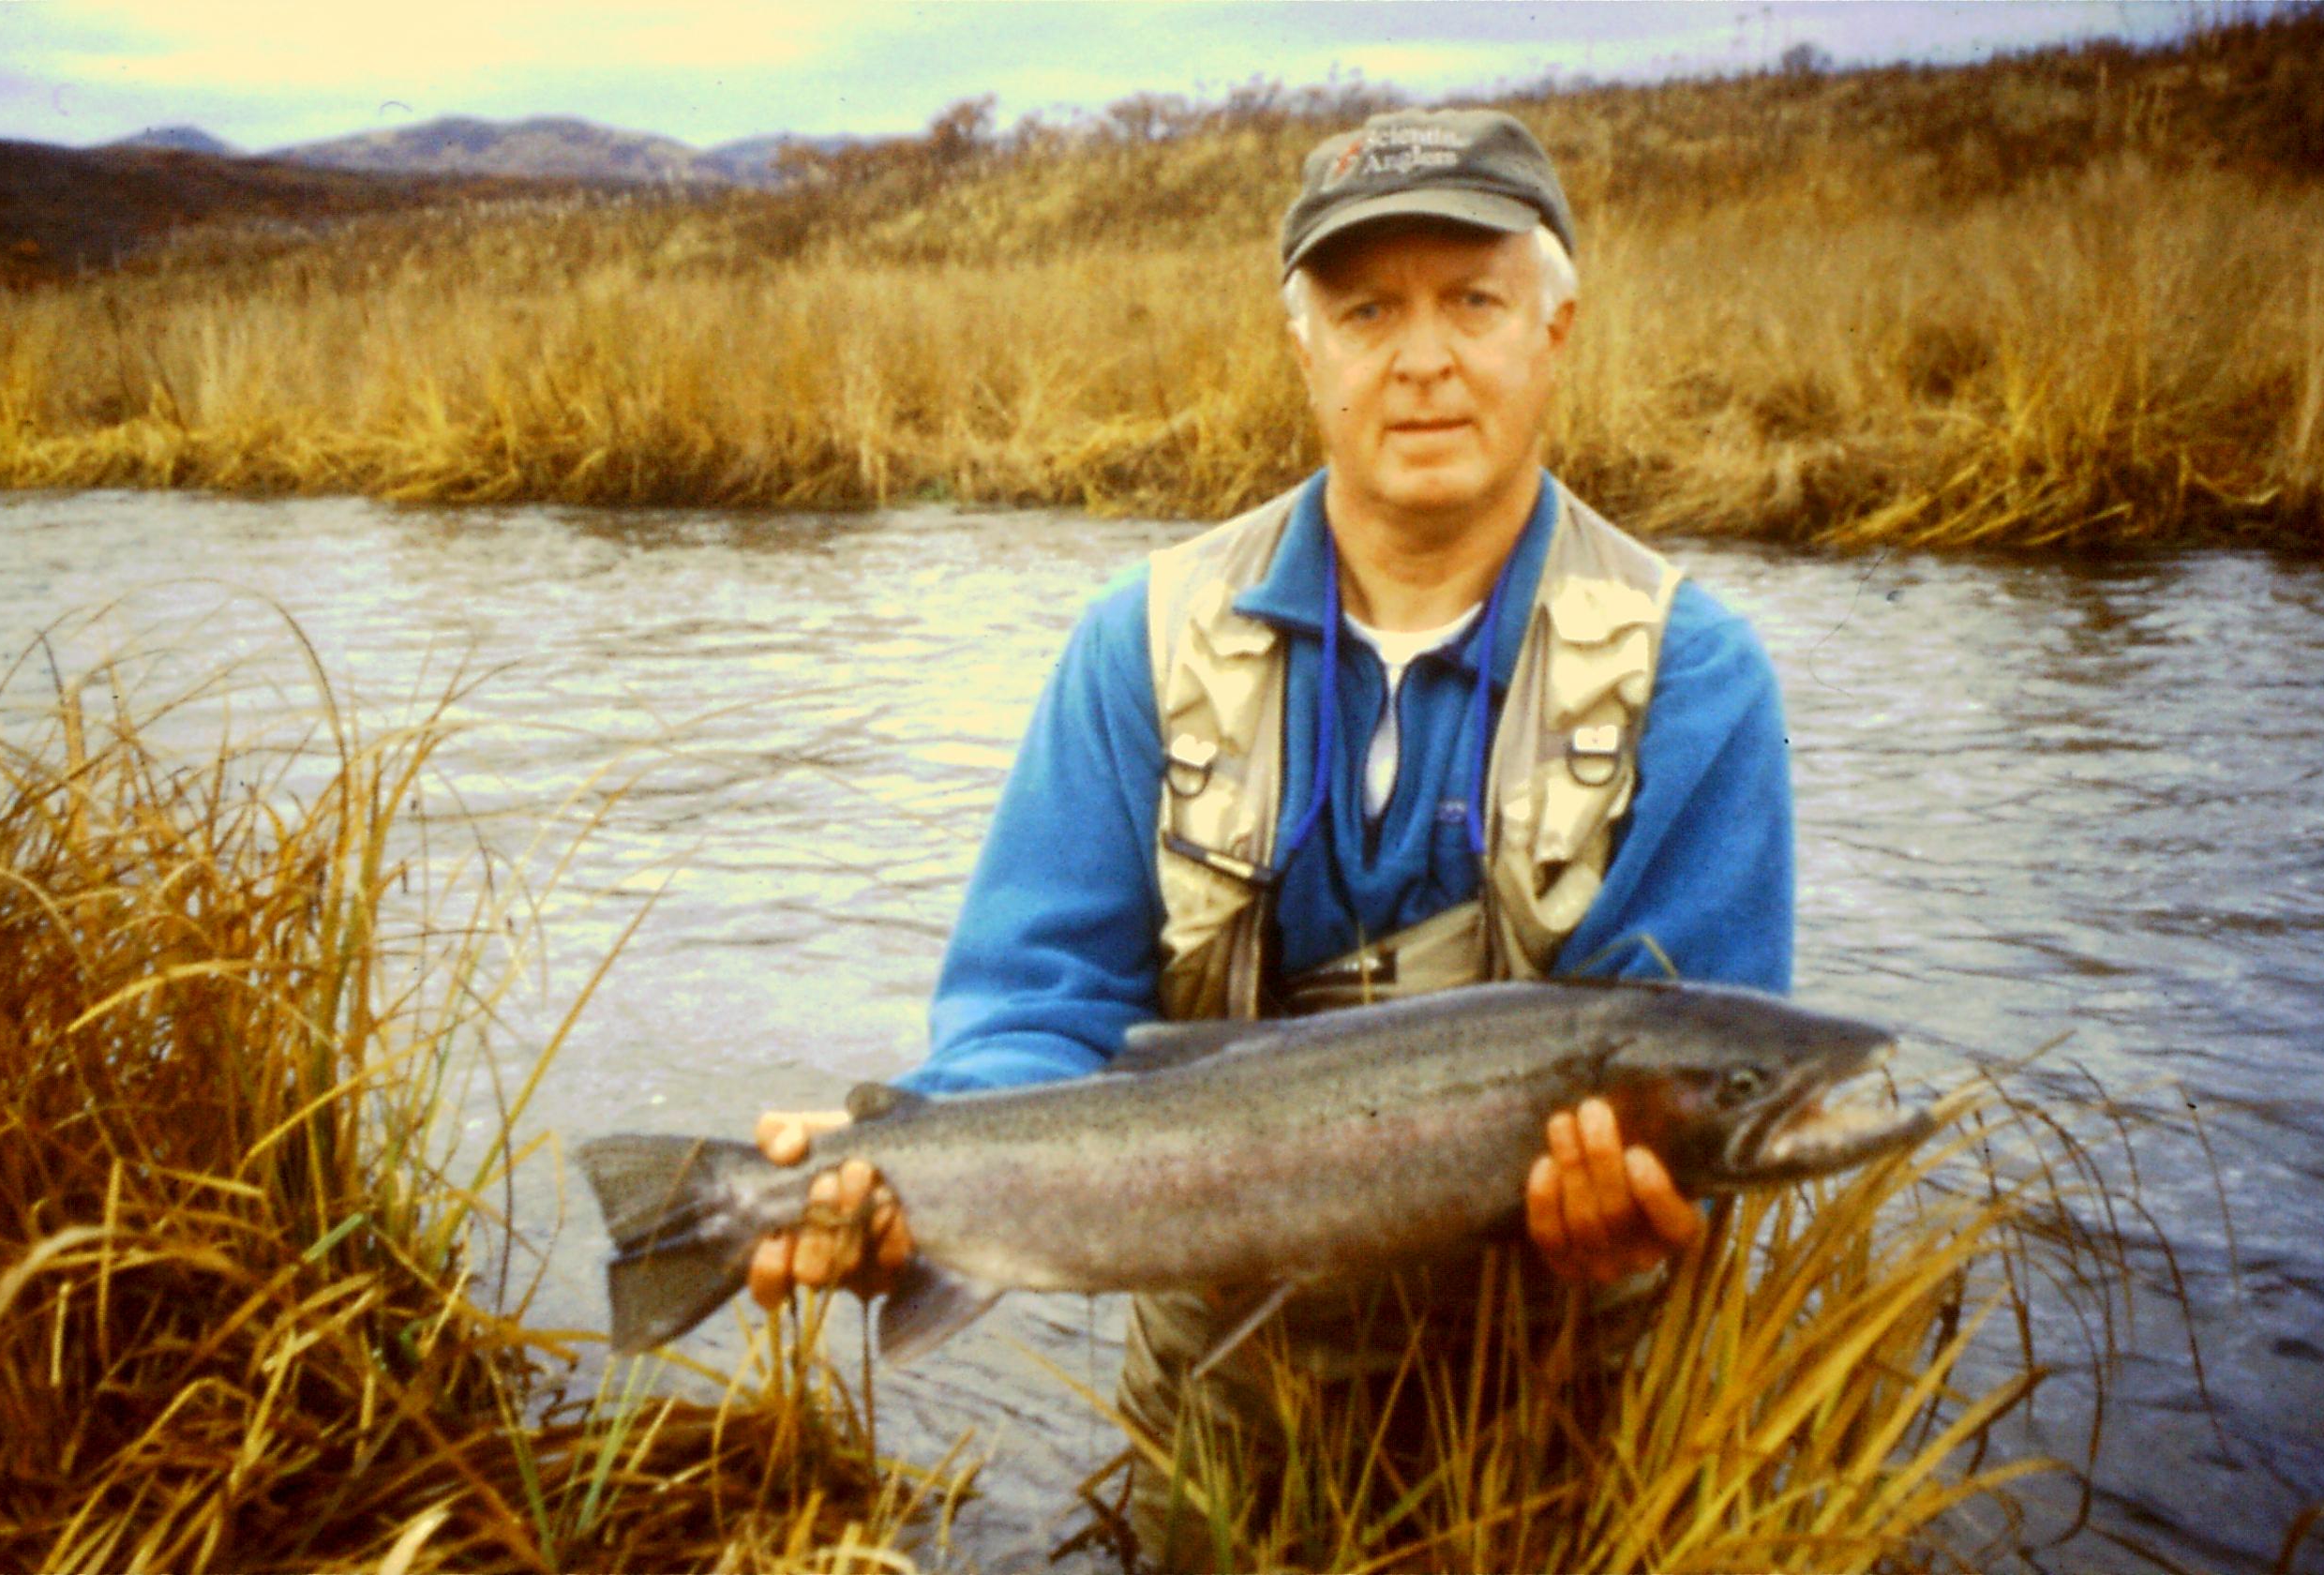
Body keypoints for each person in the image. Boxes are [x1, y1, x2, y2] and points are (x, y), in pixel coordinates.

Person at [745, 107, 1793, 1564]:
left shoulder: (1691, 670)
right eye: (1369, 309)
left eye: (1472, 300)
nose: (1421, 357)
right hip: (1225, 1418)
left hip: (1578, 1420)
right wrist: (916, 1165)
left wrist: (1644, 1196)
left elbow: (1701, 1064)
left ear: (1556, 331)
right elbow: (1035, 1005)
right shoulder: (1144, 644)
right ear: (1305, 348)